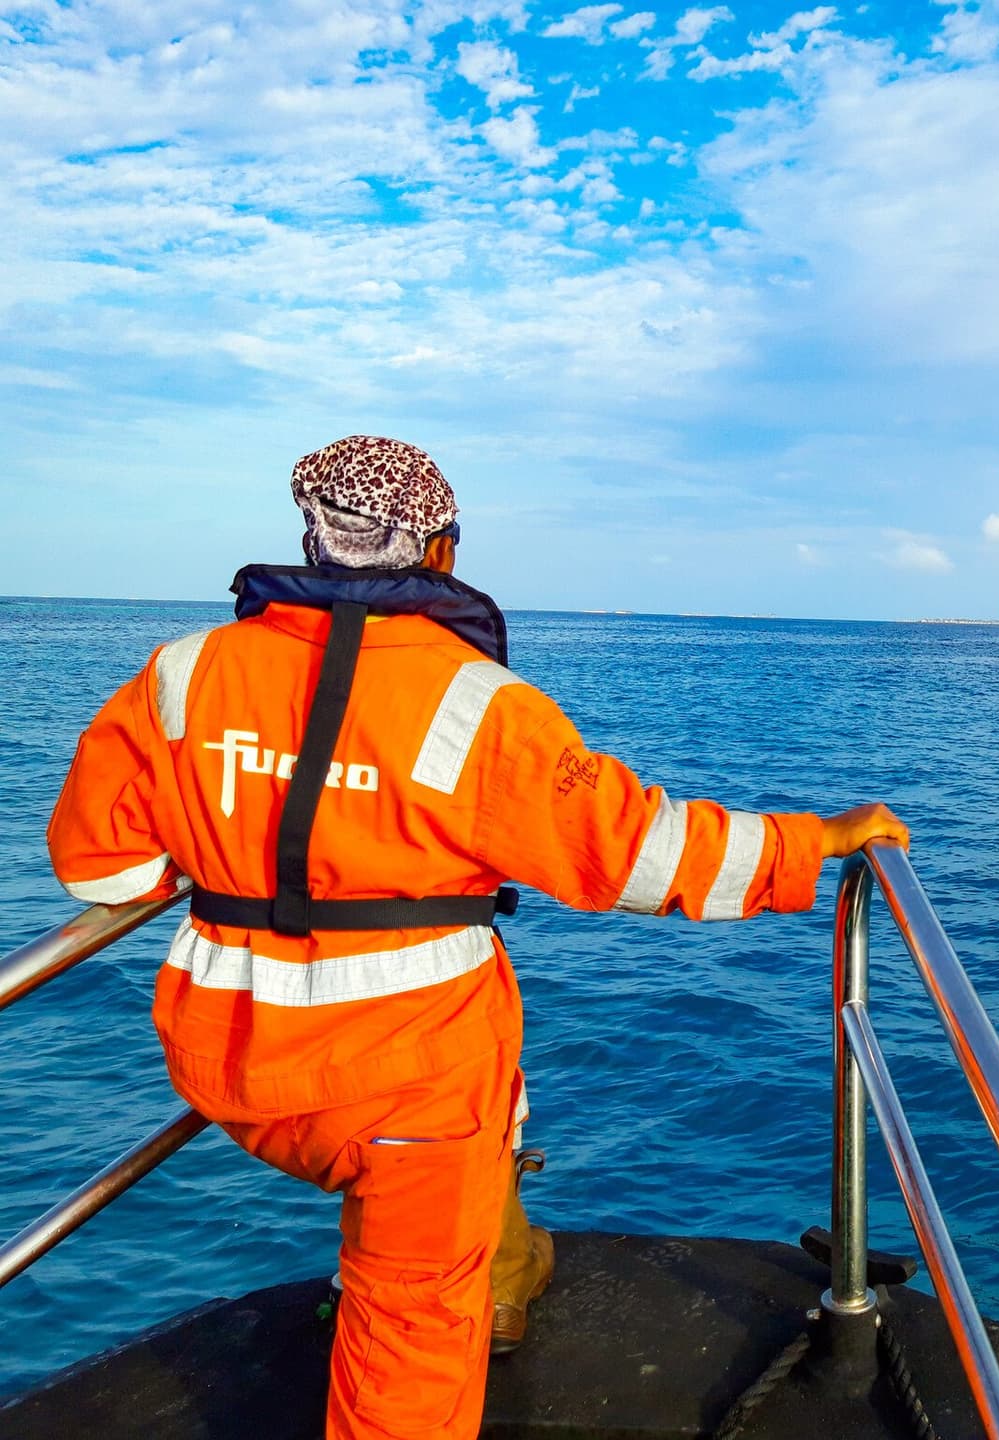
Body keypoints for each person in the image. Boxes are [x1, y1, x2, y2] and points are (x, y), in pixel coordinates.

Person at [44, 435, 908, 1440]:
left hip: (227, 1066)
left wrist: (229, 838)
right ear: (440, 555)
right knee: (409, 1339)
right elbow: (637, 853)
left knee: (454, 1153)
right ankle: (472, 1283)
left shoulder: (182, 675)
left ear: (312, 540)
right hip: (408, 1090)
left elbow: (98, 869)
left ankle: (500, 1269)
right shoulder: (479, 708)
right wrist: (813, 842)